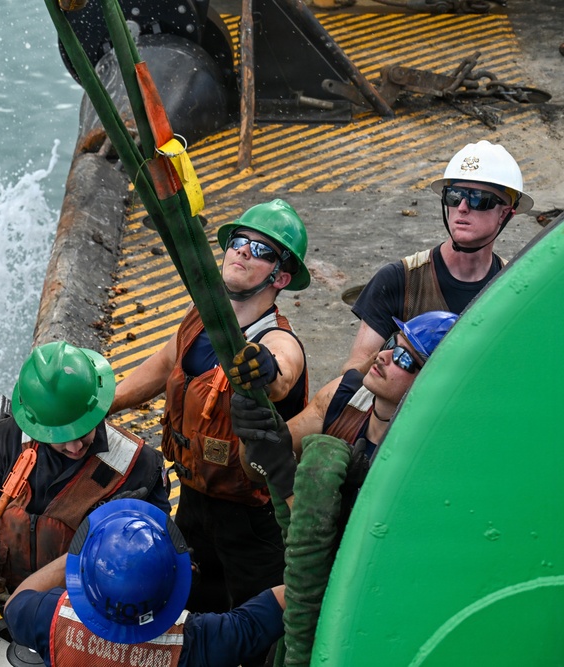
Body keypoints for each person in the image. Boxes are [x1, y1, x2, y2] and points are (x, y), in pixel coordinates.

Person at [109, 199, 310, 618]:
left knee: (258, 628)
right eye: (239, 241)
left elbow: (283, 373)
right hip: (195, 500)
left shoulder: (276, 341)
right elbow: (165, 363)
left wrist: (266, 368)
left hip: (253, 521)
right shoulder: (200, 319)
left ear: (282, 276)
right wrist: (104, 403)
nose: (242, 251)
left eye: (261, 250)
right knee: (189, 612)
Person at [0, 341, 171, 657]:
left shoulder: (139, 469)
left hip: (85, 620)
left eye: (84, 429)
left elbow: (155, 566)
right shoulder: (6, 442)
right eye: (61, 438)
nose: (76, 446)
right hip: (8, 598)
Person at [4, 499, 286, 667]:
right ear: (180, 578)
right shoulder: (197, 643)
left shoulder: (49, 616)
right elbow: (281, 602)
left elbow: (17, 600)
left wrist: (82, 554)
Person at [232, 310, 459, 510]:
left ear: (432, 383)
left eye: (403, 358)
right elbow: (256, 472)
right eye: (391, 344)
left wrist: (283, 475)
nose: (382, 356)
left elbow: (332, 545)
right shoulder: (343, 396)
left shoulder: (428, 460)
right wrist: (252, 435)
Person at [343, 140, 532, 373]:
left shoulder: (515, 291)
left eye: (478, 199)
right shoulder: (399, 280)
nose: (462, 207)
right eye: (454, 195)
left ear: (505, 213)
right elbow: (351, 374)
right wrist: (399, 355)